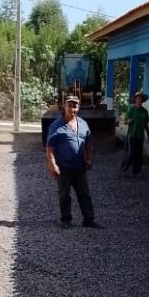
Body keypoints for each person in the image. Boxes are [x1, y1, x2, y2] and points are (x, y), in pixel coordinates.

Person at [45, 95, 100, 228]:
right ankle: (66, 220)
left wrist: (88, 159)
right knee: (64, 194)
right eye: (69, 105)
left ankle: (89, 220)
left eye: (75, 106)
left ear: (78, 108)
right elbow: (50, 147)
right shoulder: (56, 126)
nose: (72, 108)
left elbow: (88, 144)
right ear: (64, 106)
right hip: (63, 167)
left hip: (80, 167)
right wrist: (53, 165)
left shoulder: (83, 124)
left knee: (84, 194)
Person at [121, 92, 149, 176]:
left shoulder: (144, 111)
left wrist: (148, 135)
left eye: (140, 99)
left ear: (142, 101)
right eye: (138, 98)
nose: (139, 100)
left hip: (140, 136)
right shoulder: (131, 109)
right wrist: (128, 121)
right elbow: (125, 121)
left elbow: (146, 125)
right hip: (131, 135)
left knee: (139, 155)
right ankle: (125, 169)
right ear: (135, 100)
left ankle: (136, 171)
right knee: (131, 153)